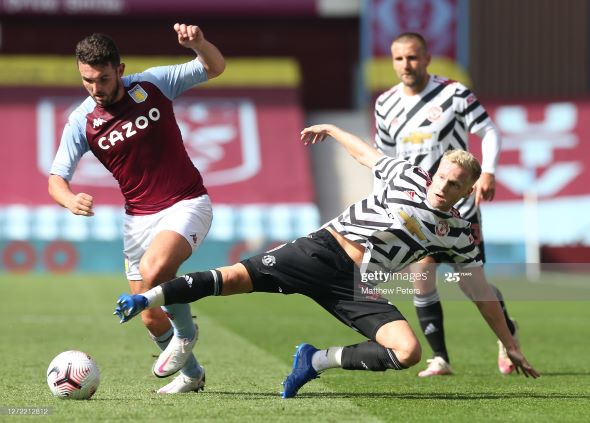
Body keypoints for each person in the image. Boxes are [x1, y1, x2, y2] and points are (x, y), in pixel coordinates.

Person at [113, 124, 539, 399]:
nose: (443, 186)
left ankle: (313, 361)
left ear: (466, 192)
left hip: (359, 285)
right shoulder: (409, 176)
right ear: (436, 171)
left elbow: (480, 290)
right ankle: (148, 298)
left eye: (455, 184)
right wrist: (334, 130)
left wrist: (511, 342)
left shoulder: (459, 233)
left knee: (407, 352)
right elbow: (368, 155)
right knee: (232, 278)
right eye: (443, 176)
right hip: (320, 251)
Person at [48, 23, 225, 394]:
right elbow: (56, 177)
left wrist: (200, 45)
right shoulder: (82, 121)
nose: (96, 89)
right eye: (87, 80)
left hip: (187, 202)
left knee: (155, 269)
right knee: (148, 315)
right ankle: (192, 375)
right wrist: (69, 199)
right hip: (138, 220)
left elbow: (214, 67)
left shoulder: (154, 84)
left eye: (103, 79)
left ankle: (187, 334)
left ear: (121, 70)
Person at [374, 32, 516, 377]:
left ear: (426, 58)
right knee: (420, 275)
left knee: (470, 282)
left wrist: (489, 172)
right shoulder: (385, 105)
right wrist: (381, 202)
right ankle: (440, 358)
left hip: (458, 208)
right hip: (416, 208)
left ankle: (507, 332)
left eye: (412, 57)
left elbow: (490, 132)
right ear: (392, 62)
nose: (406, 65)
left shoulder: (454, 94)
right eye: (399, 59)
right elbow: (384, 161)